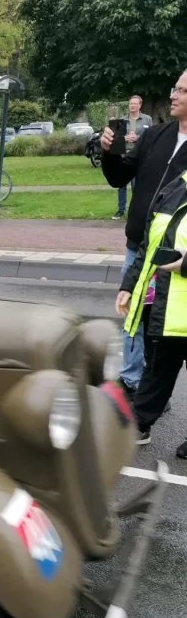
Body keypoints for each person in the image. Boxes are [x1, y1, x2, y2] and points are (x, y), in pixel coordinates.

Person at [102, 72, 187, 398]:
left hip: (174, 258)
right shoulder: (154, 135)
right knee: (132, 317)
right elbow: (119, 177)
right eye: (174, 88)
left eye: (182, 90)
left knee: (161, 329)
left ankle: (153, 392)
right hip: (138, 248)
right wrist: (110, 153)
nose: (173, 95)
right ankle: (130, 382)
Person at [116, 166, 187, 450]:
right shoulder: (175, 187)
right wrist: (129, 285)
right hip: (165, 305)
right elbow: (148, 247)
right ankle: (139, 424)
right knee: (157, 368)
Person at [112, 96, 152, 221]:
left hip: (138, 156)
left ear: (140, 105)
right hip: (124, 155)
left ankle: (135, 211)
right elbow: (116, 139)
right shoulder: (121, 120)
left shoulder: (147, 119)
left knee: (136, 185)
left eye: (135, 103)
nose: (132, 106)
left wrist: (137, 138)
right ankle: (120, 210)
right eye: (130, 103)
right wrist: (125, 138)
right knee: (122, 185)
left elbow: (151, 137)